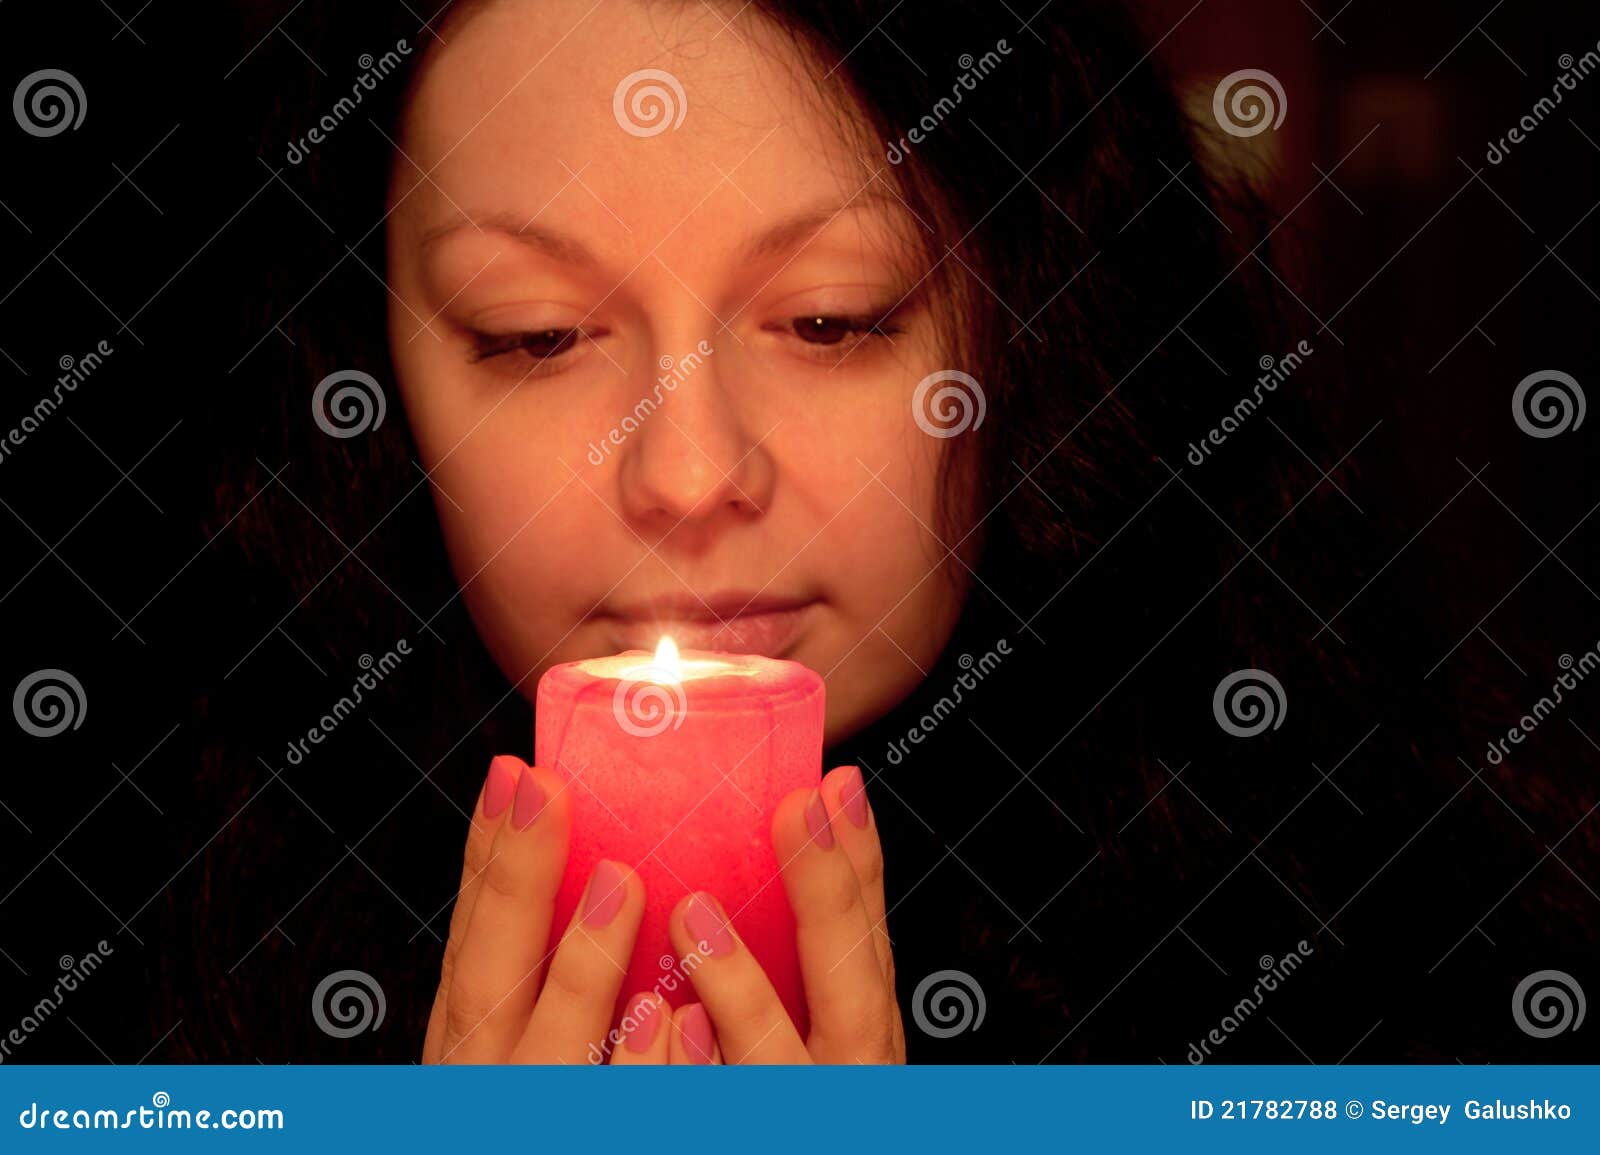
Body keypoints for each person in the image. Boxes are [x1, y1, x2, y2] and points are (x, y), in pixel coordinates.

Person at [166, 0, 1595, 1064]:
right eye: (535, 337)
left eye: (832, 318)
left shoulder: (1396, 971)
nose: (686, 471)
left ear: (1038, 326)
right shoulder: (164, 960)